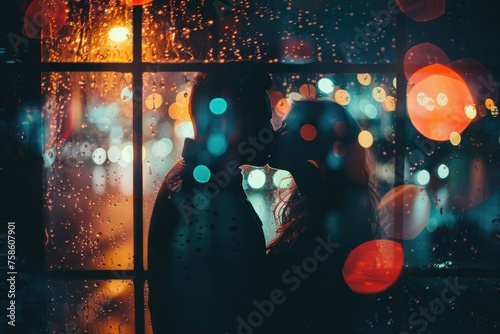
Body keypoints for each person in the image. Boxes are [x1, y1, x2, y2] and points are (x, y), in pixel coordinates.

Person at [147, 63, 274, 333]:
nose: (269, 132)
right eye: (261, 120)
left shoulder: (196, 181)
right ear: (226, 122)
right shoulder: (203, 192)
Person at [259, 99, 379, 332]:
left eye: (287, 129)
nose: (277, 135)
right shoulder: (330, 211)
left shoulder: (325, 227)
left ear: (315, 143)